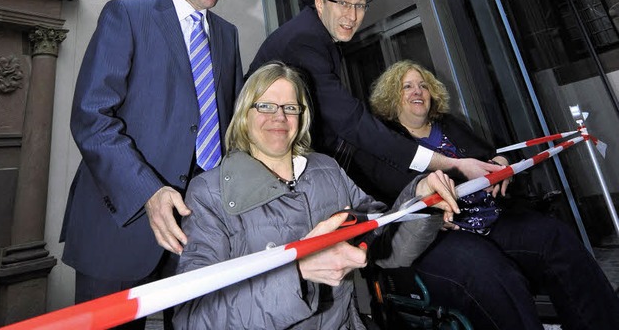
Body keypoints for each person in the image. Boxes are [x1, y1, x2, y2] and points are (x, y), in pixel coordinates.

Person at [173, 62, 459, 330]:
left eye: (290, 107)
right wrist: (296, 273)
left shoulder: (327, 170)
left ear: (303, 115)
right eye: (265, 106)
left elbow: (387, 246)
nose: (279, 117)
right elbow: (193, 316)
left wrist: (419, 198)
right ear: (245, 114)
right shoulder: (209, 193)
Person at [61, 0, 246, 330]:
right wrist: (148, 191)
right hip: (119, 223)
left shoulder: (227, 36)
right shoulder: (126, 15)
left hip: (199, 227)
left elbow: (229, 125)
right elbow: (91, 117)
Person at [367, 59, 619, 330]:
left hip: (489, 219)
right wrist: (431, 214)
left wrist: (501, 162)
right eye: (407, 86)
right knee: (492, 275)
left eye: (423, 85)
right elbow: (391, 199)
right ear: (392, 96)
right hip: (438, 237)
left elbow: (490, 158)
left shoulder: (450, 125)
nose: (418, 91)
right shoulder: (386, 142)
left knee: (555, 237)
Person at [249, 0, 501, 198]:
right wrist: (451, 165)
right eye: (343, 3)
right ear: (320, 3)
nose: (353, 15)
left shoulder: (318, 35)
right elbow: (351, 123)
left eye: (360, 6)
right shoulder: (306, 40)